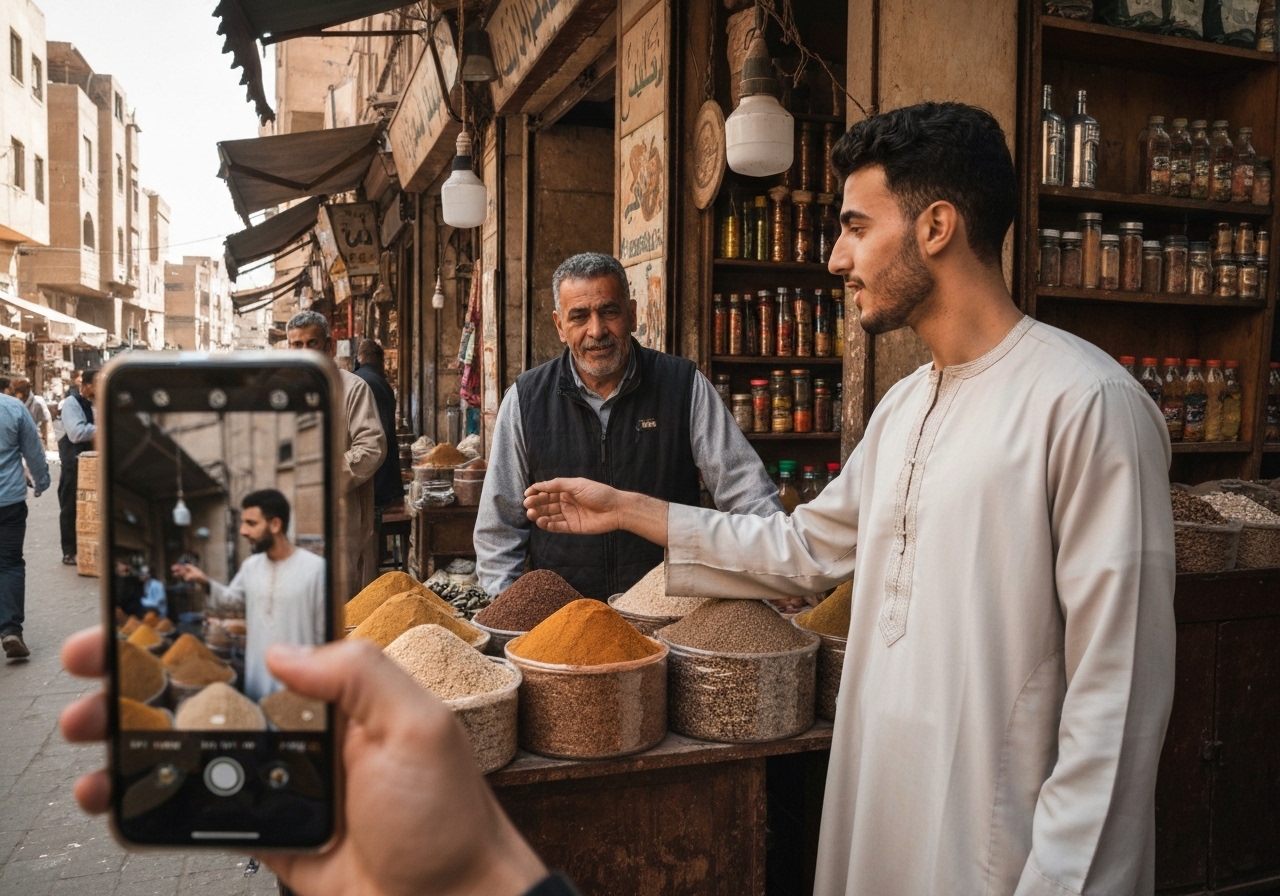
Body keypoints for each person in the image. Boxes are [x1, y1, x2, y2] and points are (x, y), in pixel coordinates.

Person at [524, 104, 1176, 894]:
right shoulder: (904, 406)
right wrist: (627, 508)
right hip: (880, 803)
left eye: (856, 228)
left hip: (999, 839)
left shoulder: (1087, 404)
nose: (837, 258)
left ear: (936, 227)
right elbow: (804, 552)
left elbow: (1119, 698)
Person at [474, 251, 781, 599]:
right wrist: (506, 606)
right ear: (560, 326)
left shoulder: (683, 386)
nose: (597, 330)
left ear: (632, 314)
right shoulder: (526, 398)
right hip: (563, 614)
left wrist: (782, 564)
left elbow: (746, 490)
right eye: (579, 316)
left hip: (668, 608)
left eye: (609, 311)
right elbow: (499, 528)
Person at [171, 489, 325, 702]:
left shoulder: (316, 569)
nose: (243, 531)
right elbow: (231, 601)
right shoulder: (251, 566)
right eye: (243, 523)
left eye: (251, 524)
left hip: (300, 681)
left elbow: (324, 632)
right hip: (257, 675)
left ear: (275, 525)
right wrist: (203, 581)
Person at [285, 312, 385, 594]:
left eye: (312, 343)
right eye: (297, 344)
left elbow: (372, 447)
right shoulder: (280, 393)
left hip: (341, 518)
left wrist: (323, 476)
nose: (304, 351)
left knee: (340, 599)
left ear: (328, 346)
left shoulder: (353, 388)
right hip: (293, 519)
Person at [0, 388, 49, 660]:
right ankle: (10, 630)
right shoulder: (13, 408)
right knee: (9, 563)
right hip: (9, 502)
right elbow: (33, 451)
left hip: (10, 501)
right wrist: (41, 482)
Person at [352, 339, 403, 516]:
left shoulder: (356, 381)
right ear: (381, 362)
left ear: (359, 358)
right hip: (384, 477)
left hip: (367, 478)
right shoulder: (384, 385)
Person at [57, 369, 97, 566]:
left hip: (93, 466)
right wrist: (105, 428)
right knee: (70, 508)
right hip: (73, 465)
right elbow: (76, 433)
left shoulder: (98, 403)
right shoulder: (72, 403)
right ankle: (69, 551)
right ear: (87, 385)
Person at [11, 377, 51, 447]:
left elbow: (44, 423)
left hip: (33, 440)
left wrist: (45, 439)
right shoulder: (15, 402)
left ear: (20, 393)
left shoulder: (37, 403)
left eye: (16, 392)